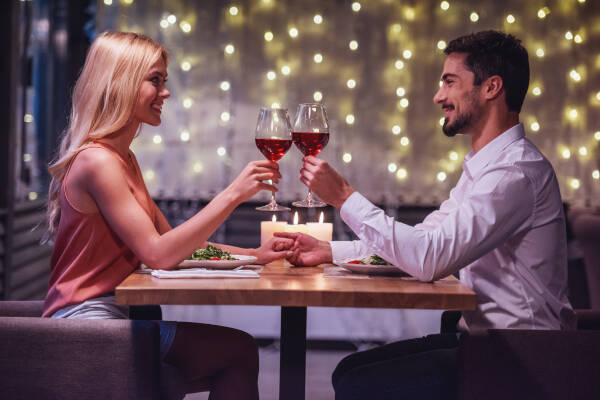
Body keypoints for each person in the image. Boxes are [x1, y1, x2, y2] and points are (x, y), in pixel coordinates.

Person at [276, 30, 575, 399]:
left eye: (450, 82)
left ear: (491, 87)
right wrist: (331, 252)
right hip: (485, 342)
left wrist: (344, 197)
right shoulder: (488, 167)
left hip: (523, 358)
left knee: (358, 382)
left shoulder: (514, 173)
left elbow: (431, 258)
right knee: (351, 369)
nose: (438, 97)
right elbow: (424, 242)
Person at [42, 31, 291, 400]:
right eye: (154, 80)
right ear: (121, 82)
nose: (166, 92)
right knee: (237, 351)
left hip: (123, 314)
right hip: (87, 326)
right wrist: (233, 194)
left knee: (237, 353)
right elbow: (158, 254)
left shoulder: (123, 158)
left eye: (164, 81)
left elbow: (180, 246)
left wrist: (255, 256)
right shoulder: (97, 162)